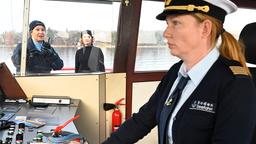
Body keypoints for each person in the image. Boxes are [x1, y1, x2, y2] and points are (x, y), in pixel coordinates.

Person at [102, 0, 256, 144]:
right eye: (168, 24)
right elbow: (142, 120)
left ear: (205, 29)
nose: (166, 33)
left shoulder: (235, 84)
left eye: (176, 23)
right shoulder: (176, 72)